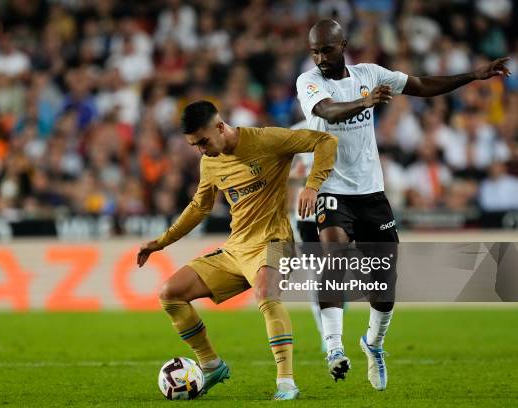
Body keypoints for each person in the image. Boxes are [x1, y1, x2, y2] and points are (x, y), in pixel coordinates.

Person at [296, 19, 511, 391]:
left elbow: (424, 86)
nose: (320, 57)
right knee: (334, 252)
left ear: (343, 44)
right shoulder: (309, 82)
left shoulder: (369, 73)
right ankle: (333, 347)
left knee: (385, 281)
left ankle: (373, 344)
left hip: (371, 193)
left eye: (326, 49)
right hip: (330, 186)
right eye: (314, 51)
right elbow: (328, 112)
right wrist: (366, 101)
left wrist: (474, 75)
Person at [137, 100, 338, 400]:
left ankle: (286, 382)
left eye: (203, 141)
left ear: (220, 126)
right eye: (195, 145)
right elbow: (198, 207)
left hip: (275, 242)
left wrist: (312, 185)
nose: (201, 150)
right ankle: (211, 364)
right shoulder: (210, 162)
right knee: (170, 293)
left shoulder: (267, 140)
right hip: (235, 250)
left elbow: (325, 140)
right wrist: (161, 242)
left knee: (267, 295)